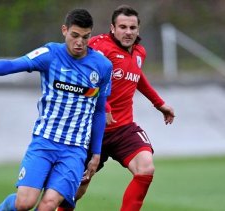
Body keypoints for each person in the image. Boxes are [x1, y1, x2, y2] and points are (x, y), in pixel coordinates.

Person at [0, 9, 112, 211]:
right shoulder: (50, 54)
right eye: (75, 36)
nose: (80, 42)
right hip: (44, 141)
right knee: (25, 203)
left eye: (85, 37)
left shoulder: (102, 66)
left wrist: (96, 152)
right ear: (64, 30)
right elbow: (14, 64)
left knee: (48, 205)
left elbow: (100, 111)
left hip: (75, 150)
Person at [58, 5, 175, 211]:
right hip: (92, 131)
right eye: (122, 27)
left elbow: (137, 76)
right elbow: (82, 77)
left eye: (132, 27)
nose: (128, 32)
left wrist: (159, 104)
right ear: (113, 28)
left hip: (123, 129)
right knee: (75, 191)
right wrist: (105, 105)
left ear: (138, 29)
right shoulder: (98, 47)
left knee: (145, 167)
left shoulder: (139, 52)